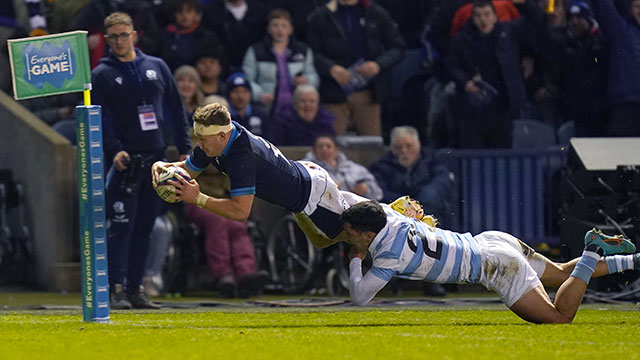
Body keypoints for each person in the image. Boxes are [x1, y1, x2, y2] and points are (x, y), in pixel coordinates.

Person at [342, 200, 639, 323]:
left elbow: (359, 298)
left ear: (368, 234)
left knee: (559, 317)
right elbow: (406, 207)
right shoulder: (386, 213)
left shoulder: (388, 257)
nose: (347, 237)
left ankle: (591, 251)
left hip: (496, 267)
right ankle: (633, 261)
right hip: (491, 240)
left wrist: (356, 260)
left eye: (351, 234)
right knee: (563, 274)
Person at [150, 102, 363, 250]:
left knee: (355, 236)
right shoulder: (216, 141)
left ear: (222, 136)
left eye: (202, 139)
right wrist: (163, 166)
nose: (199, 144)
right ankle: (370, 210)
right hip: (306, 179)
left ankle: (389, 220)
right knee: (320, 240)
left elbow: (240, 211)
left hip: (312, 194)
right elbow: (188, 169)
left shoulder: (242, 158)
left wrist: (197, 198)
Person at [92, 12, 192, 309]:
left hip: (156, 161)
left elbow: (176, 108)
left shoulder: (157, 67)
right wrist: (113, 149)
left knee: (146, 227)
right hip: (124, 161)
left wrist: (184, 148)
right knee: (121, 226)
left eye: (125, 35)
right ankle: (116, 289)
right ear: (107, 39)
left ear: (134, 35)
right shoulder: (102, 74)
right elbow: (100, 118)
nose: (120, 41)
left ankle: (136, 289)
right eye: (114, 36)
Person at [444, 0, 543, 148]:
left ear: (495, 17)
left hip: (503, 106)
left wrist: (524, 3)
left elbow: (535, 19)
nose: (483, 20)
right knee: (474, 155)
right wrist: (464, 82)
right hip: (474, 107)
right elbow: (451, 66)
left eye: (486, 15)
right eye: (478, 16)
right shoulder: (462, 38)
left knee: (502, 152)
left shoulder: (509, 32)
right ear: (472, 18)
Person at [307, 0, 405, 136]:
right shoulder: (320, 16)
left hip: (368, 93)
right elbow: (309, 51)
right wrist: (330, 68)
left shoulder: (375, 13)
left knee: (372, 147)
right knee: (331, 146)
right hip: (333, 93)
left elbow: (397, 47)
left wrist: (378, 65)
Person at [369, 126, 455, 225]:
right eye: (398, 147)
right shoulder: (380, 166)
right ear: (392, 149)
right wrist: (407, 203)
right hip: (397, 220)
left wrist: (421, 203)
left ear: (418, 144)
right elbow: (379, 192)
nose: (404, 151)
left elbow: (442, 181)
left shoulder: (434, 159)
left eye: (409, 146)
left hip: (433, 216)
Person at [242, 8, 319, 115]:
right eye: (275, 25)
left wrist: (306, 81)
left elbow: (313, 76)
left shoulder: (302, 50)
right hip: (267, 108)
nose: (279, 30)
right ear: (269, 29)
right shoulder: (256, 51)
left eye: (284, 25)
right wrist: (259, 95)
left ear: (290, 29)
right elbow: (246, 78)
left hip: (296, 109)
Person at [590, 0, 640, 136]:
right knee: (620, 154)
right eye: (638, 6)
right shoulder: (621, 30)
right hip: (626, 105)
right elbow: (603, 6)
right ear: (630, 10)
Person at [303, 135, 383, 201]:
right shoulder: (308, 169)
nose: (324, 149)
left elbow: (378, 193)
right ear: (314, 151)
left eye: (328, 146)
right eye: (320, 147)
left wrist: (366, 189)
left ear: (336, 150)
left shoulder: (353, 168)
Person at [158, 0, 223, 71]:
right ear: (173, 14)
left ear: (196, 14)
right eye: (180, 12)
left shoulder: (206, 37)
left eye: (189, 11)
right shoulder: (164, 35)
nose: (184, 16)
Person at [268, 85, 336, 146]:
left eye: (312, 101)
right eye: (303, 101)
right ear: (295, 104)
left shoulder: (326, 123)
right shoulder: (282, 122)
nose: (308, 105)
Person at [225, 72, 271, 139]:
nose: (240, 96)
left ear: (250, 94)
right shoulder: (225, 117)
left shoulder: (261, 115)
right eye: (236, 92)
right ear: (229, 95)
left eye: (244, 91)